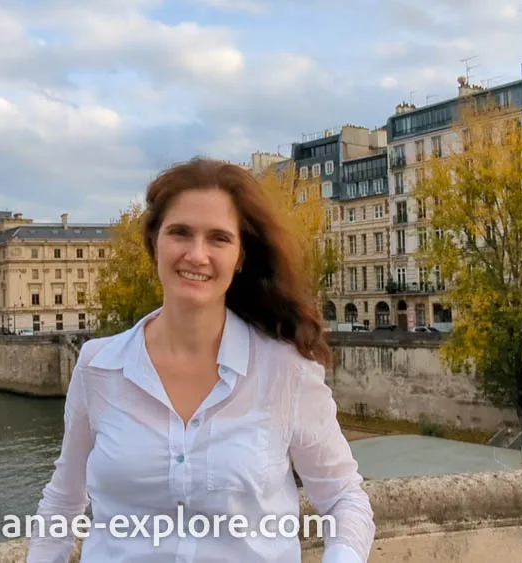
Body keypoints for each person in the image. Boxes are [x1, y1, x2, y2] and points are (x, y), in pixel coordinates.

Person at [26, 158, 375, 562]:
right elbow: (62, 505)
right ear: (154, 241)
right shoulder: (99, 367)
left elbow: (344, 498)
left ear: (241, 256)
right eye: (180, 233)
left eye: (218, 239)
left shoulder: (285, 370)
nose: (197, 254)